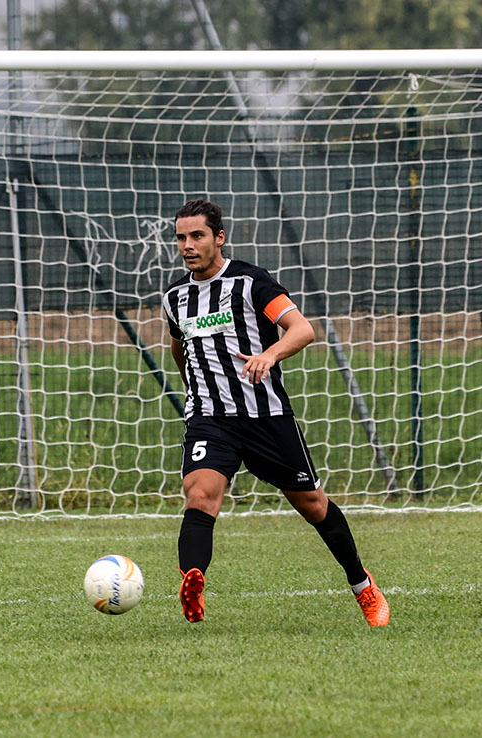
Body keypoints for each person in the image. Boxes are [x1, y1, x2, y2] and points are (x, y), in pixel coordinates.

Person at [162, 198, 389, 624]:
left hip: (266, 417)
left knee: (313, 504)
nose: (188, 245)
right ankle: (193, 579)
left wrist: (269, 355)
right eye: (181, 237)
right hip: (210, 418)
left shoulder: (252, 282)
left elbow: (303, 329)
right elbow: (179, 345)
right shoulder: (176, 297)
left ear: (219, 238)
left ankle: (363, 586)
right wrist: (196, 388)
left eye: (197, 236)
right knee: (200, 496)